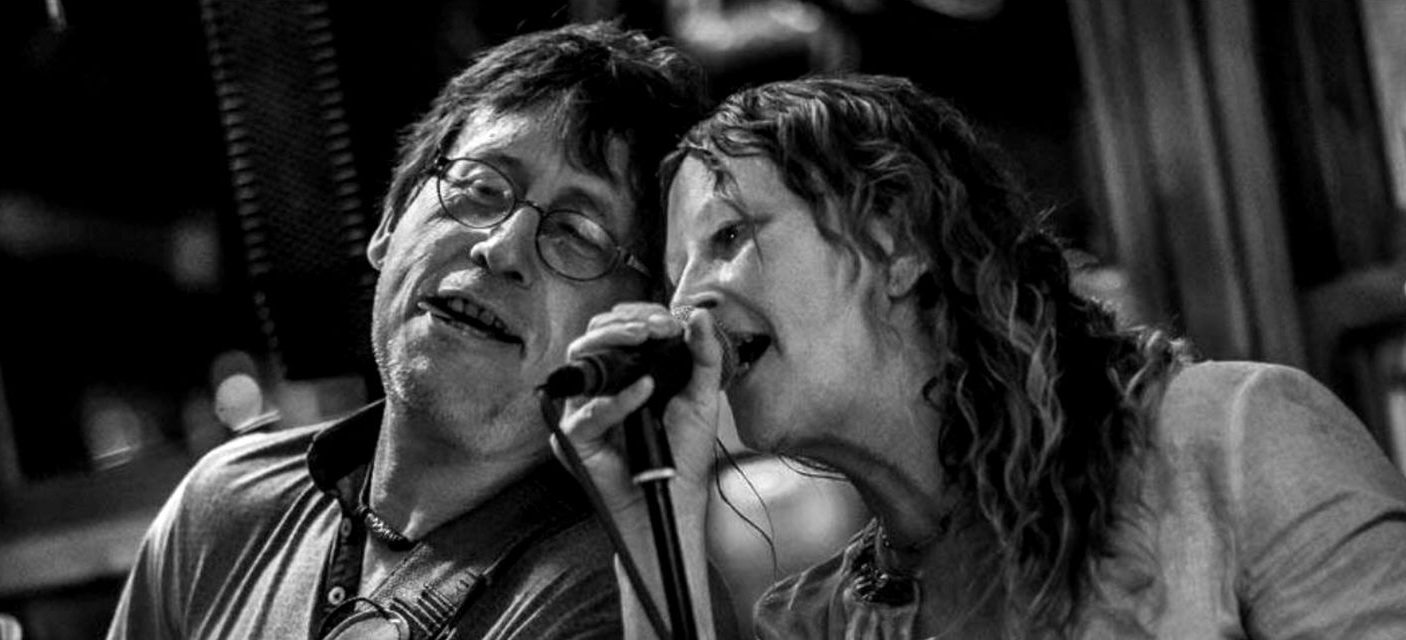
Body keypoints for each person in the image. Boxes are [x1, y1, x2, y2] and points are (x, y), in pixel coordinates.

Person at [559, 74, 1406, 639]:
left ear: (896, 240)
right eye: (675, 276)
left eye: (730, 237)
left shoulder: (1233, 437)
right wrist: (649, 511)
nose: (685, 306)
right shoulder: (819, 623)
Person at [106, 22, 708, 639]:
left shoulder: (617, 596)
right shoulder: (225, 508)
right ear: (389, 221)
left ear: (638, 321)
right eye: (482, 188)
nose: (503, 247)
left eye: (577, 233)